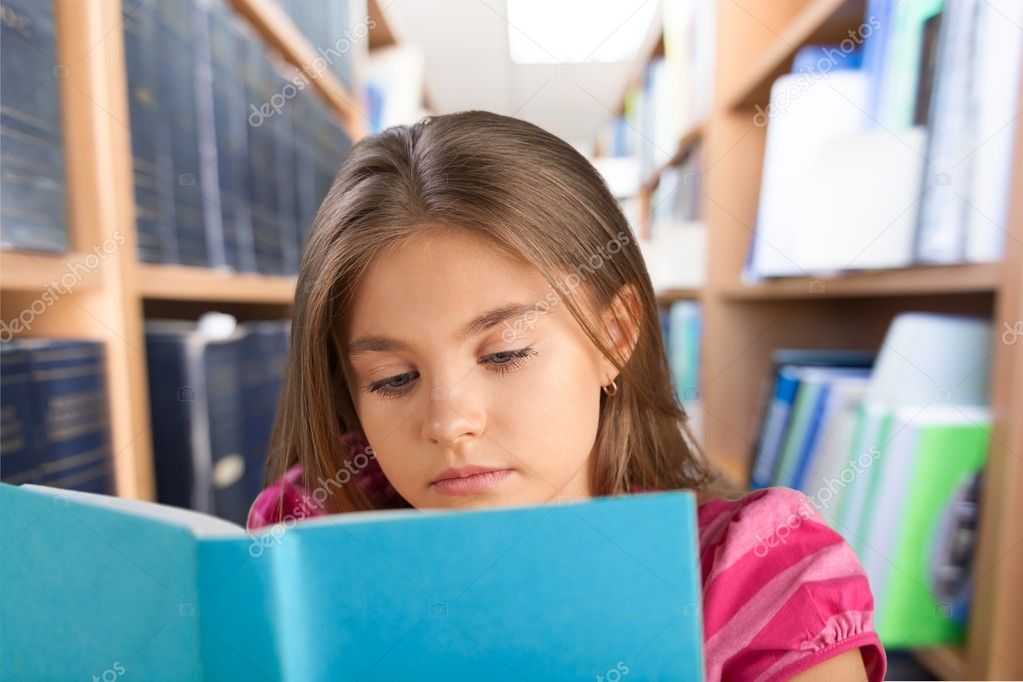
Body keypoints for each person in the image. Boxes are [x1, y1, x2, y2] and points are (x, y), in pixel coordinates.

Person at [248, 111, 886, 682]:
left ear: (614, 336)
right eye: (392, 378)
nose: (448, 422)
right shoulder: (311, 536)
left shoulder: (761, 581)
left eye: (504, 355)